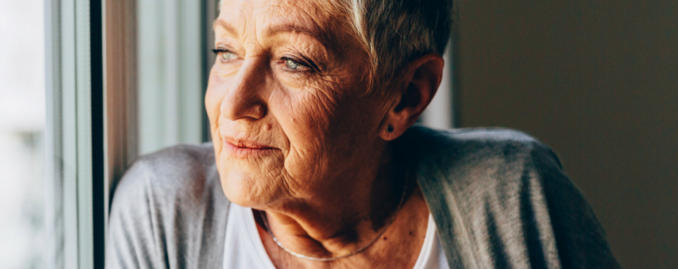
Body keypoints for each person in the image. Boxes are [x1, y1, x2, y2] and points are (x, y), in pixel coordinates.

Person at [107, 0, 619, 268]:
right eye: (226, 52)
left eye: (294, 62)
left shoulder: (510, 196)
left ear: (406, 96)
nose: (234, 105)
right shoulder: (166, 211)